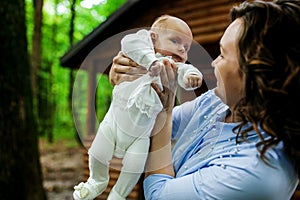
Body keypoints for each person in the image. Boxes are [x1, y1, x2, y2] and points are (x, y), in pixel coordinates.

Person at [109, 0, 300, 199]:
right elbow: (142, 127)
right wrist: (129, 86)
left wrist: (164, 111)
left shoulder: (255, 174)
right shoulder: (218, 103)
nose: (214, 63)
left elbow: (158, 195)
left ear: (260, 74)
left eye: (223, 55)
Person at [73, 15, 203, 200]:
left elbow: (186, 72)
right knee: (98, 153)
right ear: (153, 38)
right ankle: (97, 181)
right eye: (175, 40)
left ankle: (118, 195)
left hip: (140, 135)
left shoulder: (173, 67)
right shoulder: (139, 52)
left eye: (186, 47)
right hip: (113, 123)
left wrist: (192, 77)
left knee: (134, 167)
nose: (182, 49)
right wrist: (151, 61)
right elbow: (128, 41)